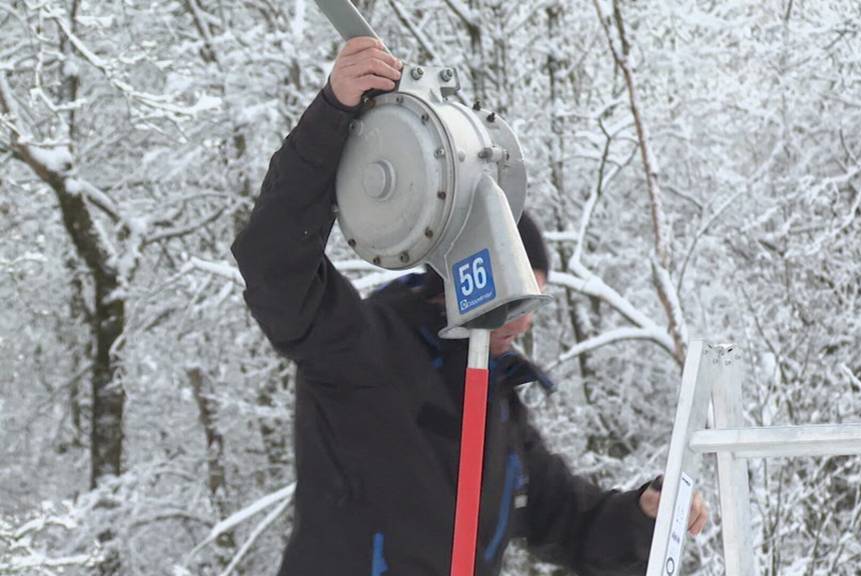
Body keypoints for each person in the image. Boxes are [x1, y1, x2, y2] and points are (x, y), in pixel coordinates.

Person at [231, 37, 708, 576]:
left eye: (534, 300)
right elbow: (274, 264)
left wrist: (645, 512)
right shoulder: (361, 349)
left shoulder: (497, 402)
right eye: (516, 295)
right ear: (464, 278)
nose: (524, 320)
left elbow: (570, 523)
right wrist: (333, 115)